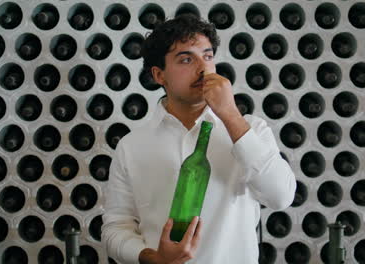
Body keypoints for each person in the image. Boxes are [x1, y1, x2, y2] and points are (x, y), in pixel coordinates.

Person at [102, 14, 296, 264]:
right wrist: (154, 258)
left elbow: (281, 197)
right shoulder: (131, 147)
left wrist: (230, 115)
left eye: (207, 56)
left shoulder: (253, 129)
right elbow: (115, 229)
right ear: (160, 76)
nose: (203, 68)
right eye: (186, 59)